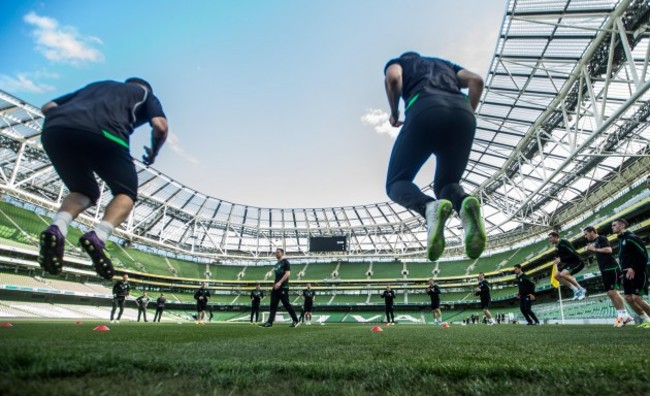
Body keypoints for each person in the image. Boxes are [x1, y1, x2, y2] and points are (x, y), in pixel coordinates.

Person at [37, 78, 168, 280]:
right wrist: (153, 153)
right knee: (126, 193)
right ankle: (99, 235)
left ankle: (58, 226)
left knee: (84, 190)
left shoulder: (96, 85)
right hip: (107, 134)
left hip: (56, 130)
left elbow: (48, 106)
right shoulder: (145, 95)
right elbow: (160, 126)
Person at [383, 51, 486, 262]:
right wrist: (466, 114)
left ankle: (429, 206)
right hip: (463, 114)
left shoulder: (400, 63)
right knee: (448, 183)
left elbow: (393, 78)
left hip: (424, 108)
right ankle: (464, 205)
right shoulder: (446, 65)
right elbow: (476, 81)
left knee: (396, 182)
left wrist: (394, 113)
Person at [583, 226, 633, 327]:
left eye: (586, 234)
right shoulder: (595, 241)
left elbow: (609, 250)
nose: (585, 236)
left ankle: (625, 316)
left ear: (592, 232)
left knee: (613, 292)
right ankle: (622, 316)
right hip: (604, 270)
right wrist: (592, 249)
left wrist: (594, 249)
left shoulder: (602, 238)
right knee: (610, 294)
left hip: (612, 268)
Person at [612, 219, 650, 328]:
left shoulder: (632, 238)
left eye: (614, 225)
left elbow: (644, 256)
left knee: (637, 298)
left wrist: (634, 268)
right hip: (626, 273)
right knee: (628, 298)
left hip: (638, 272)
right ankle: (646, 319)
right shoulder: (621, 239)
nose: (612, 227)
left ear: (622, 225)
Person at [260, 248, 300, 328]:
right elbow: (277, 276)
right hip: (275, 288)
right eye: (276, 252)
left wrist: (280, 282)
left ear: (282, 253)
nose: (276, 254)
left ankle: (295, 320)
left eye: (278, 252)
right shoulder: (276, 264)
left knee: (286, 304)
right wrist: (275, 284)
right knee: (273, 305)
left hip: (283, 287)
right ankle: (269, 322)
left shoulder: (286, 262)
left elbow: (287, 274)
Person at [549, 232, 586, 300]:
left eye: (551, 237)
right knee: (556, 276)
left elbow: (573, 253)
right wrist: (558, 260)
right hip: (569, 263)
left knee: (563, 274)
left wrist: (561, 259)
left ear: (556, 237)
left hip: (577, 261)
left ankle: (581, 289)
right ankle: (575, 290)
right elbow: (563, 257)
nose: (549, 239)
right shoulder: (557, 246)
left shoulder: (564, 242)